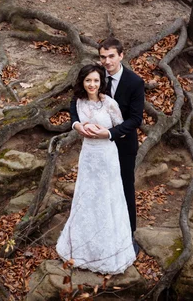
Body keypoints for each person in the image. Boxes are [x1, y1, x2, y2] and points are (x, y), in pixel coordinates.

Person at [56, 64, 136, 274]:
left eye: (96, 81)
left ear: (101, 83)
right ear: (82, 82)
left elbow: (122, 130)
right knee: (86, 196)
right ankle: (82, 248)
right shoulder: (78, 102)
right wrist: (78, 127)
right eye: (88, 81)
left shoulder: (109, 103)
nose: (92, 84)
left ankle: (108, 252)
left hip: (107, 156)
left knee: (106, 198)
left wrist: (105, 132)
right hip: (88, 156)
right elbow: (74, 119)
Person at [69, 38, 144, 240]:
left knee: (123, 186)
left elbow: (136, 119)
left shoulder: (135, 82)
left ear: (121, 55)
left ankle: (128, 234)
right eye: (103, 57)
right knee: (97, 187)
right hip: (95, 149)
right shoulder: (95, 76)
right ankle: (99, 231)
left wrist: (110, 133)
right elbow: (75, 105)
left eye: (111, 56)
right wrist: (77, 125)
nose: (107, 61)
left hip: (123, 144)